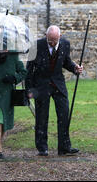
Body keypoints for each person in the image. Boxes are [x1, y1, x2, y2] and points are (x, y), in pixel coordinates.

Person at [25, 25, 83, 156]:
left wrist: (75, 68)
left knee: (64, 114)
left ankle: (64, 147)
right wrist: (29, 89)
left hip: (58, 84)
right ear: (46, 36)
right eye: (49, 40)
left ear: (60, 37)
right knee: (41, 117)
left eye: (55, 41)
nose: (52, 43)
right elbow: (29, 69)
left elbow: (66, 62)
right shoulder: (36, 45)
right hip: (41, 85)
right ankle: (42, 148)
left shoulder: (65, 44)